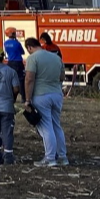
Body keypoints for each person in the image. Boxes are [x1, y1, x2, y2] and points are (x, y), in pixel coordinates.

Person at [24, 36, 67, 167]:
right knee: (56, 125)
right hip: (57, 94)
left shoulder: (33, 58)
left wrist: (27, 99)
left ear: (29, 47)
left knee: (46, 127)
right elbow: (62, 76)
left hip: (41, 95)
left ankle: (49, 158)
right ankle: (62, 157)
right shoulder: (56, 57)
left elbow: (29, 79)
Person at [3, 28, 26, 103]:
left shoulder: (5, 43)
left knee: (10, 79)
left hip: (10, 62)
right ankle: (23, 97)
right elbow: (22, 52)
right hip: (18, 62)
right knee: (21, 79)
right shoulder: (17, 43)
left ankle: (11, 96)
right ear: (12, 34)